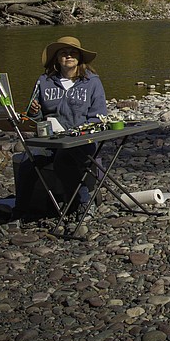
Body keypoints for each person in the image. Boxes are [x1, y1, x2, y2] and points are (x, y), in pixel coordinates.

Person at [13, 36, 108, 219]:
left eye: (73, 52)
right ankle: (20, 211)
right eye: (63, 53)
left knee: (64, 161)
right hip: (49, 139)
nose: (68, 56)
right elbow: (35, 118)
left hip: (80, 140)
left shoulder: (92, 82)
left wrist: (78, 133)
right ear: (57, 58)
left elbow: (98, 117)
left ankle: (83, 204)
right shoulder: (44, 81)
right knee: (28, 161)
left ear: (79, 58)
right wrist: (34, 112)